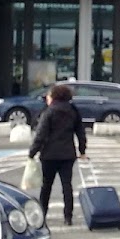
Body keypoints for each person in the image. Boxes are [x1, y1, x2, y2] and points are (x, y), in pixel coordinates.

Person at [27, 84, 87, 226]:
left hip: (49, 154)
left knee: (46, 185)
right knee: (67, 185)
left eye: (49, 96)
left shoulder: (49, 112)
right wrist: (82, 151)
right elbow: (80, 132)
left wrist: (32, 152)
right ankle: (68, 217)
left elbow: (41, 135)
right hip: (68, 154)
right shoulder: (73, 111)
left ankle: (43, 213)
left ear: (54, 97)